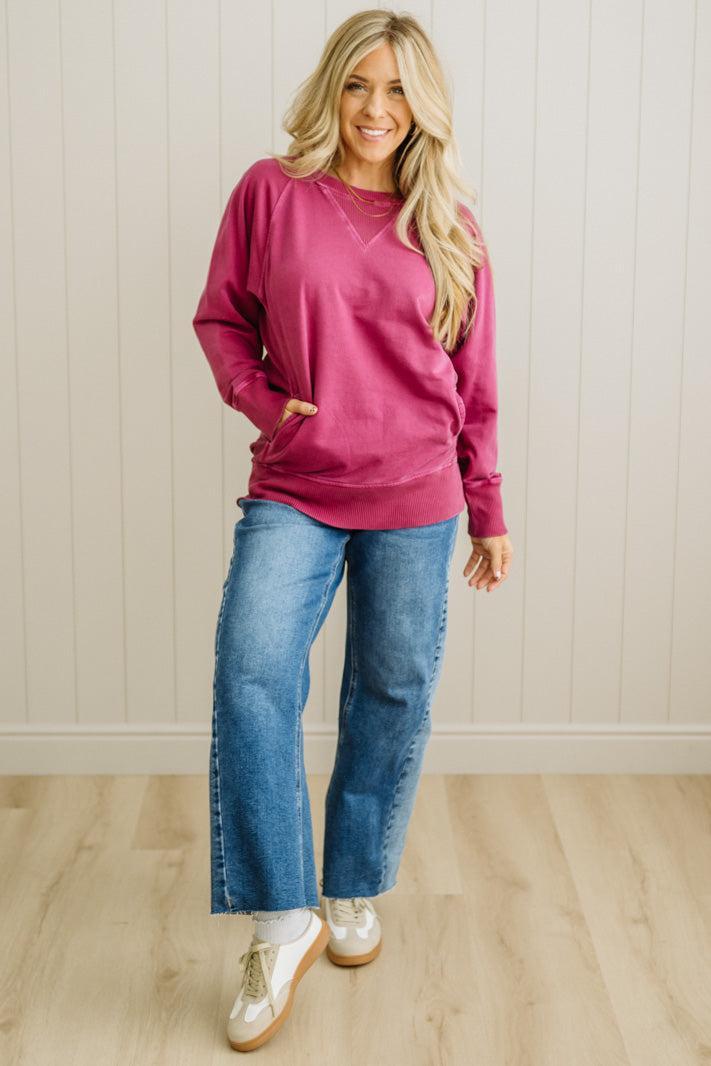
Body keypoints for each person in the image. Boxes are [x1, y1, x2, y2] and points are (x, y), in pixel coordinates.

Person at [192, 8, 513, 1053]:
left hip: (419, 494)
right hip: (296, 482)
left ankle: (354, 885)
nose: (376, 109)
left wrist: (490, 505)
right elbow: (221, 315)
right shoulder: (271, 193)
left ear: (424, 106)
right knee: (252, 670)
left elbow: (475, 383)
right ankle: (283, 917)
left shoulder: (451, 228)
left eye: (397, 90)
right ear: (332, 90)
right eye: (357, 86)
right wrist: (259, 397)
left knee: (390, 688)